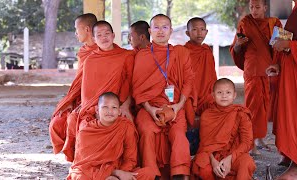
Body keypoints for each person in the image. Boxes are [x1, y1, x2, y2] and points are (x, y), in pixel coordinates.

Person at [132, 14, 194, 179]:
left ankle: (180, 174)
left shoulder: (181, 53)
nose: (161, 31)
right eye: (156, 27)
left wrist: (178, 106)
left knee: (179, 135)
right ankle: (152, 174)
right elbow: (137, 88)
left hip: (174, 105)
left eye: (165, 27)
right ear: (150, 31)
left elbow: (188, 81)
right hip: (150, 106)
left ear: (171, 31)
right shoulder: (142, 56)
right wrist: (150, 109)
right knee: (146, 130)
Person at [62, 20, 134, 162]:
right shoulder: (90, 60)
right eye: (99, 35)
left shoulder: (126, 56)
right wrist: (87, 107)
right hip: (93, 107)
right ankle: (84, 163)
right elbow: (87, 89)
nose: (104, 37)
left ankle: (115, 164)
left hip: (117, 105)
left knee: (126, 125)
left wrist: (125, 105)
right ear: (94, 39)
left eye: (107, 34)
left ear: (113, 35)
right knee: (74, 120)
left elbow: (131, 83)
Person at [266, 0, 297, 179]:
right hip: (291, 71)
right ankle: (290, 156)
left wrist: (288, 46)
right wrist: (278, 64)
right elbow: (292, 37)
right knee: (287, 114)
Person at [229, 0, 282, 154]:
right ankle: (249, 142)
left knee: (265, 105)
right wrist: (239, 43)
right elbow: (236, 48)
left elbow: (283, 44)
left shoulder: (274, 23)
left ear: (265, 8)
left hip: (269, 69)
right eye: (251, 7)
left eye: (257, 7)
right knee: (253, 106)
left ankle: (259, 138)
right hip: (252, 69)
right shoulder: (245, 22)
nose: (254, 10)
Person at [67, 92, 155, 180]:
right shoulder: (86, 131)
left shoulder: (125, 126)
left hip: (118, 170)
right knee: (79, 176)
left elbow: (130, 157)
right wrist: (113, 173)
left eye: (114, 107)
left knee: (148, 173)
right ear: (97, 110)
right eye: (105, 107)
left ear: (119, 111)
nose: (110, 111)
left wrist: (122, 173)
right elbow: (81, 166)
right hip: (93, 173)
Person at [49, 13, 98, 154]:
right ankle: (70, 154)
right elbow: (79, 81)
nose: (76, 33)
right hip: (79, 97)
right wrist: (71, 99)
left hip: (94, 99)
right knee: (57, 121)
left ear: (87, 29)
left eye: (77, 29)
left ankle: (77, 156)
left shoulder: (102, 51)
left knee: (74, 120)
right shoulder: (83, 51)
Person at [191, 78, 256, 179]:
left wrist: (230, 159)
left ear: (234, 95)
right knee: (203, 168)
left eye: (228, 92)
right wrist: (213, 162)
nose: (224, 95)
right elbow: (205, 145)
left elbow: (246, 142)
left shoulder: (241, 114)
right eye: (219, 92)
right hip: (213, 155)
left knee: (247, 162)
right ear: (213, 95)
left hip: (234, 154)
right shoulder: (207, 115)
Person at [184, 17, 217, 126]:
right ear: (187, 33)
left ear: (206, 32)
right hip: (190, 95)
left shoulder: (207, 51)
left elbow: (212, 76)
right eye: (194, 30)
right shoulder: (184, 52)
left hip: (207, 95)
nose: (199, 33)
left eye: (202, 29)